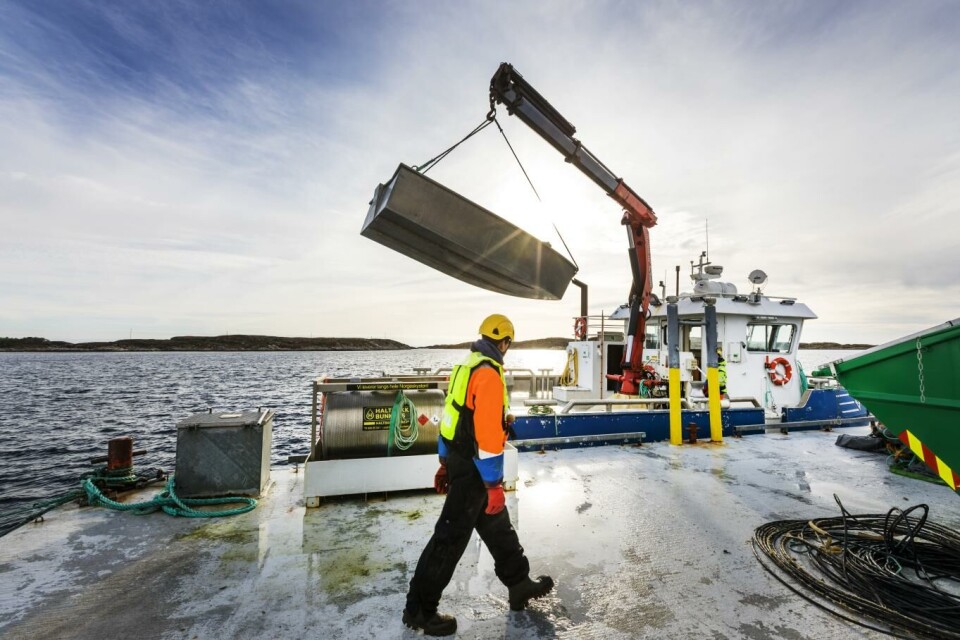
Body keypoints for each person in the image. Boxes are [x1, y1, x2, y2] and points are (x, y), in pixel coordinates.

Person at [403, 314, 554, 636]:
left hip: (459, 458)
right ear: (505, 343)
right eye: (509, 344)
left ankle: (518, 583)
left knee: (496, 525)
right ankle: (420, 610)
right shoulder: (488, 375)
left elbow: (451, 417)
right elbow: (486, 439)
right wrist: (493, 484)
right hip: (474, 469)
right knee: (449, 538)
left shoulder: (466, 366)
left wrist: (445, 460)